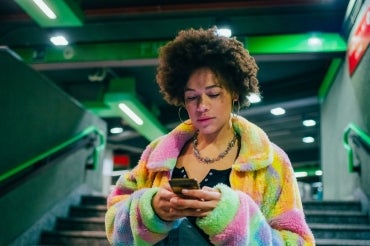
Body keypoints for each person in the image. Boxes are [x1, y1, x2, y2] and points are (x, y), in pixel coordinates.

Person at [105, 27, 315, 245]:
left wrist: (235, 220)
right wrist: (149, 210)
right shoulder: (156, 155)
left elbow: (298, 241)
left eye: (213, 94)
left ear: (234, 92)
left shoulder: (269, 162)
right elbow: (114, 225)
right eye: (191, 97)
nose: (202, 106)